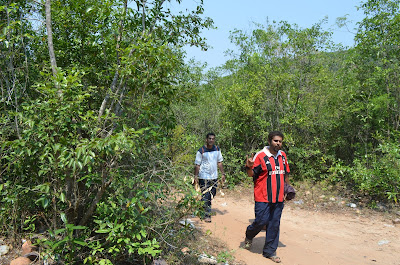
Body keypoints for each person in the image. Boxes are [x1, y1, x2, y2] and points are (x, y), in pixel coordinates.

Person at [243, 131, 290, 263]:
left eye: (280, 141)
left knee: (274, 224)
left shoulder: (283, 156)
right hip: (262, 196)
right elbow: (251, 174)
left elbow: (285, 173)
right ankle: (249, 235)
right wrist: (249, 166)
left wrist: (287, 189)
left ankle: (270, 251)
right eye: (276, 141)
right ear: (270, 141)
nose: (278, 143)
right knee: (261, 221)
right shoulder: (261, 156)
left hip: (279, 197)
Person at [194, 133, 226, 223]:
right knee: (206, 195)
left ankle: (201, 206)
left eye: (213, 139)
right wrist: (195, 176)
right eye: (210, 139)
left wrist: (223, 173)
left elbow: (219, 162)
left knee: (212, 193)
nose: (211, 140)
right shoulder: (201, 151)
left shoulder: (217, 149)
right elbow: (197, 164)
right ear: (206, 140)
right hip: (203, 176)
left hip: (214, 176)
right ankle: (207, 215)